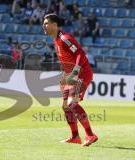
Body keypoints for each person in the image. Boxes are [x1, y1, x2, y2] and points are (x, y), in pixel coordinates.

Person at [42, 14, 98, 146]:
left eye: (46, 23)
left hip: (82, 74)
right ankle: (75, 137)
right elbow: (68, 60)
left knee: (73, 103)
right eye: (43, 23)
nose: (43, 26)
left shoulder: (64, 38)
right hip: (70, 75)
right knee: (65, 106)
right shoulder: (56, 40)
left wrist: (76, 71)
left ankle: (90, 135)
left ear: (54, 25)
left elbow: (80, 53)